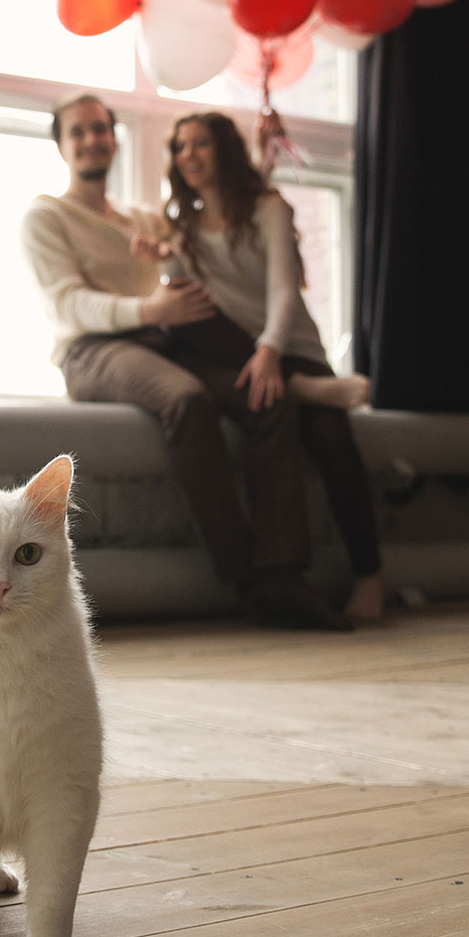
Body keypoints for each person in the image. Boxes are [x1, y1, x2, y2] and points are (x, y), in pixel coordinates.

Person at [20, 93, 350, 631]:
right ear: (61, 146)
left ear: (114, 140)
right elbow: (68, 304)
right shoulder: (45, 216)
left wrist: (260, 158)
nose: (91, 140)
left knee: (264, 397)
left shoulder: (144, 219)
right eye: (77, 132)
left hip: (161, 340)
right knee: (187, 399)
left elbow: (222, 216)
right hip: (92, 350)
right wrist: (148, 308)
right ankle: (247, 577)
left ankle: (284, 573)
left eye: (100, 129)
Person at [156, 110, 387, 624]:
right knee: (176, 320)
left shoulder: (269, 208)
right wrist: (160, 259)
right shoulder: (183, 227)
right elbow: (186, 293)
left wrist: (271, 350)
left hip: (288, 348)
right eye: (180, 146)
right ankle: (297, 389)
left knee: (331, 441)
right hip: (235, 350)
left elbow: (284, 290)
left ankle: (370, 575)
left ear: (224, 150)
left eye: (200, 143)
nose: (188, 155)